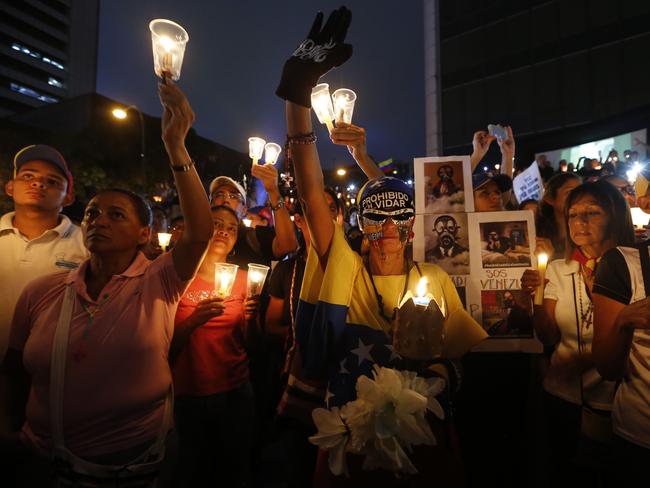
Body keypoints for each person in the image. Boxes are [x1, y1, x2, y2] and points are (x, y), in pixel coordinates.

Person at [275, 7, 486, 485]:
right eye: (377, 216)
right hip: (346, 445)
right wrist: (297, 96)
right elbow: (311, 197)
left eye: (399, 216)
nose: (389, 227)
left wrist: (433, 375)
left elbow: (456, 359)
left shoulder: (431, 278)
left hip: (421, 445)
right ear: (359, 223)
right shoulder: (342, 266)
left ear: (413, 225)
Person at [0, 80, 213, 486]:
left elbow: (199, 234)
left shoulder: (158, 281)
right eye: (93, 214)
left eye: (116, 215)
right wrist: (6, 429)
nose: (99, 221)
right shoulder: (43, 291)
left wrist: (176, 147)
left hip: (128, 467)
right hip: (40, 461)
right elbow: (12, 370)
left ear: (143, 235)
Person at [521, 180, 635, 484]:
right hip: (564, 398)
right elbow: (548, 337)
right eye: (573, 214)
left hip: (621, 405)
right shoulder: (559, 270)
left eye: (592, 213)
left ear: (615, 217)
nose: (579, 222)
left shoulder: (636, 270)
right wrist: (533, 301)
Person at [170, 205, 259, 487]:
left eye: (231, 228)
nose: (224, 230)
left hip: (234, 391)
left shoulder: (245, 280)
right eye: (216, 223)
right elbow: (160, 346)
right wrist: (194, 320)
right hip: (186, 393)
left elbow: (250, 343)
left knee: (232, 469)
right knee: (190, 470)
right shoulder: (175, 277)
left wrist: (249, 318)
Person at [0, 145, 89, 364]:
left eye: (52, 181)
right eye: (28, 176)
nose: (38, 183)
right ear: (10, 187)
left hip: (56, 370)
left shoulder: (87, 246)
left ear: (68, 197)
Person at [592, 182, 650, 479]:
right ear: (646, 204)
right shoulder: (624, 264)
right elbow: (606, 366)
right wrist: (624, 320)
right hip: (640, 433)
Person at [208, 162, 298, 270]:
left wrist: (273, 191)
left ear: (244, 209)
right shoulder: (197, 235)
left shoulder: (255, 237)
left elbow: (289, 245)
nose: (226, 200)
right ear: (210, 204)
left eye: (233, 196)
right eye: (219, 195)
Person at [536, 172, 582, 259]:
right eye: (570, 192)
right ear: (550, 199)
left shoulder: (587, 233)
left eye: (581, 192)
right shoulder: (537, 233)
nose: (578, 197)